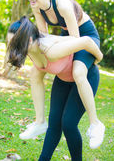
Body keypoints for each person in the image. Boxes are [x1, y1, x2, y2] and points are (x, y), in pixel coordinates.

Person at [7, 16, 105, 161]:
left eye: (14, 44)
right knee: (54, 124)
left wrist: (98, 57)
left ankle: (95, 126)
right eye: (10, 43)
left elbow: (86, 41)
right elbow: (36, 78)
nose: (11, 48)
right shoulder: (31, 49)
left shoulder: (50, 50)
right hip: (63, 79)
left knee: (69, 124)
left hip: (85, 77)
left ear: (28, 41)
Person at [26, 0, 105, 149]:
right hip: (66, 35)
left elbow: (76, 39)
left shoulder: (62, 4)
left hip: (85, 36)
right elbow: (42, 35)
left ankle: (95, 124)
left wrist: (50, 41)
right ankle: (39, 122)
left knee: (78, 72)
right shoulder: (37, 7)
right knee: (35, 71)